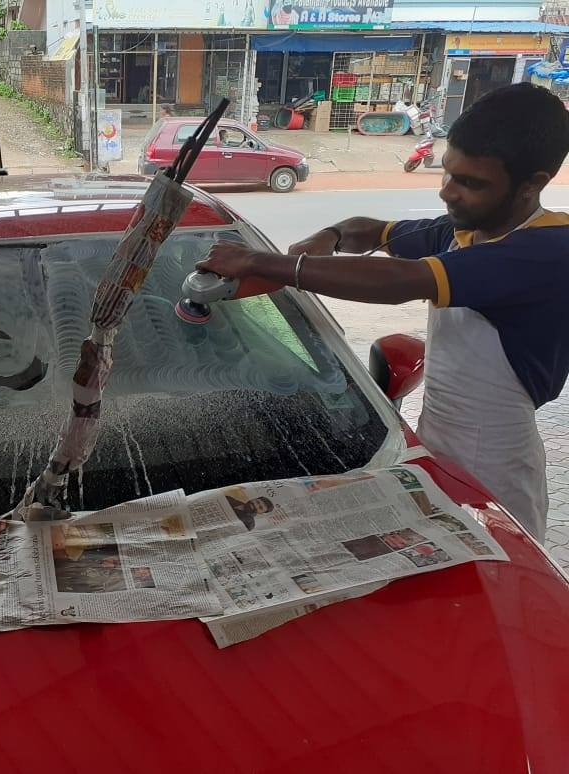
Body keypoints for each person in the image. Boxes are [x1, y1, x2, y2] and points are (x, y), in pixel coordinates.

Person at [197, 83, 569, 541]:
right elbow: (369, 231)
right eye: (449, 173)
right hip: (433, 442)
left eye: (471, 183)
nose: (448, 194)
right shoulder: (467, 229)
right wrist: (331, 235)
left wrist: (260, 262)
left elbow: (401, 282)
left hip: (498, 468)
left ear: (533, 184)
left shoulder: (547, 250)